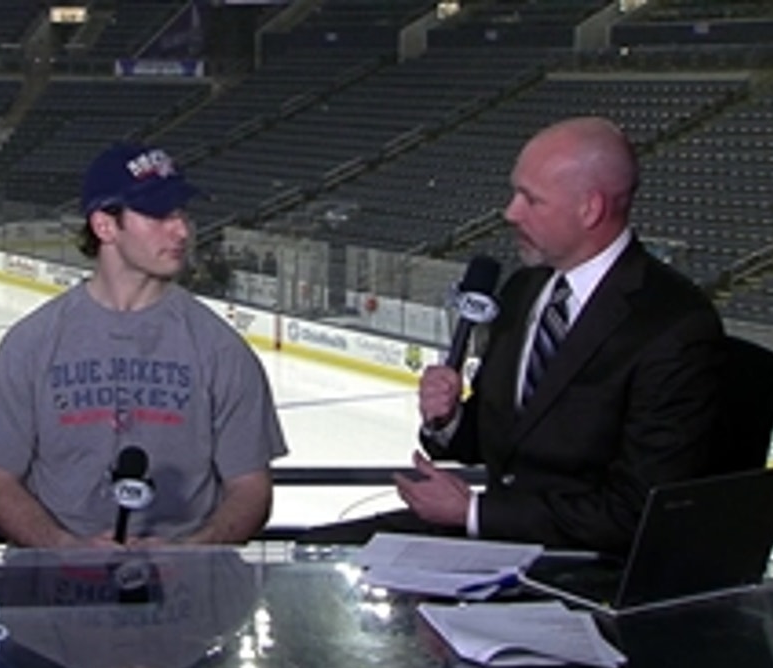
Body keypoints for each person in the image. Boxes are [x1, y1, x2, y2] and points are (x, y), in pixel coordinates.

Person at [299, 116, 726, 555]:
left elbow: (636, 511)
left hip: (579, 568)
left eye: (530, 199)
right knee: (317, 552)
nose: (510, 213)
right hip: (493, 543)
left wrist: (473, 513)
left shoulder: (673, 326)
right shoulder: (525, 289)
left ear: (590, 209)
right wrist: (450, 420)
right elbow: (494, 442)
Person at [0, 143, 287, 547]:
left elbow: (250, 489)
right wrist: (65, 549)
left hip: (186, 597)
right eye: (158, 214)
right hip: (55, 596)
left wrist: (190, 552)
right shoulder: (31, 345)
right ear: (104, 226)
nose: (182, 230)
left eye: (182, 213)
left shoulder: (221, 349)